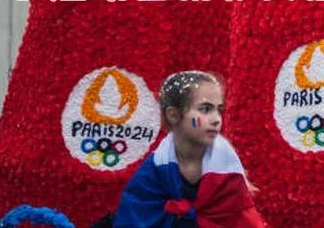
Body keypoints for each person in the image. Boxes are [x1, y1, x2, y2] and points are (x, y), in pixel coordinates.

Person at [113, 71, 265, 228]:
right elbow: (133, 218)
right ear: (173, 115)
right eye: (205, 109)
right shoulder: (152, 174)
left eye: (219, 109)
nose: (216, 119)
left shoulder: (230, 173)